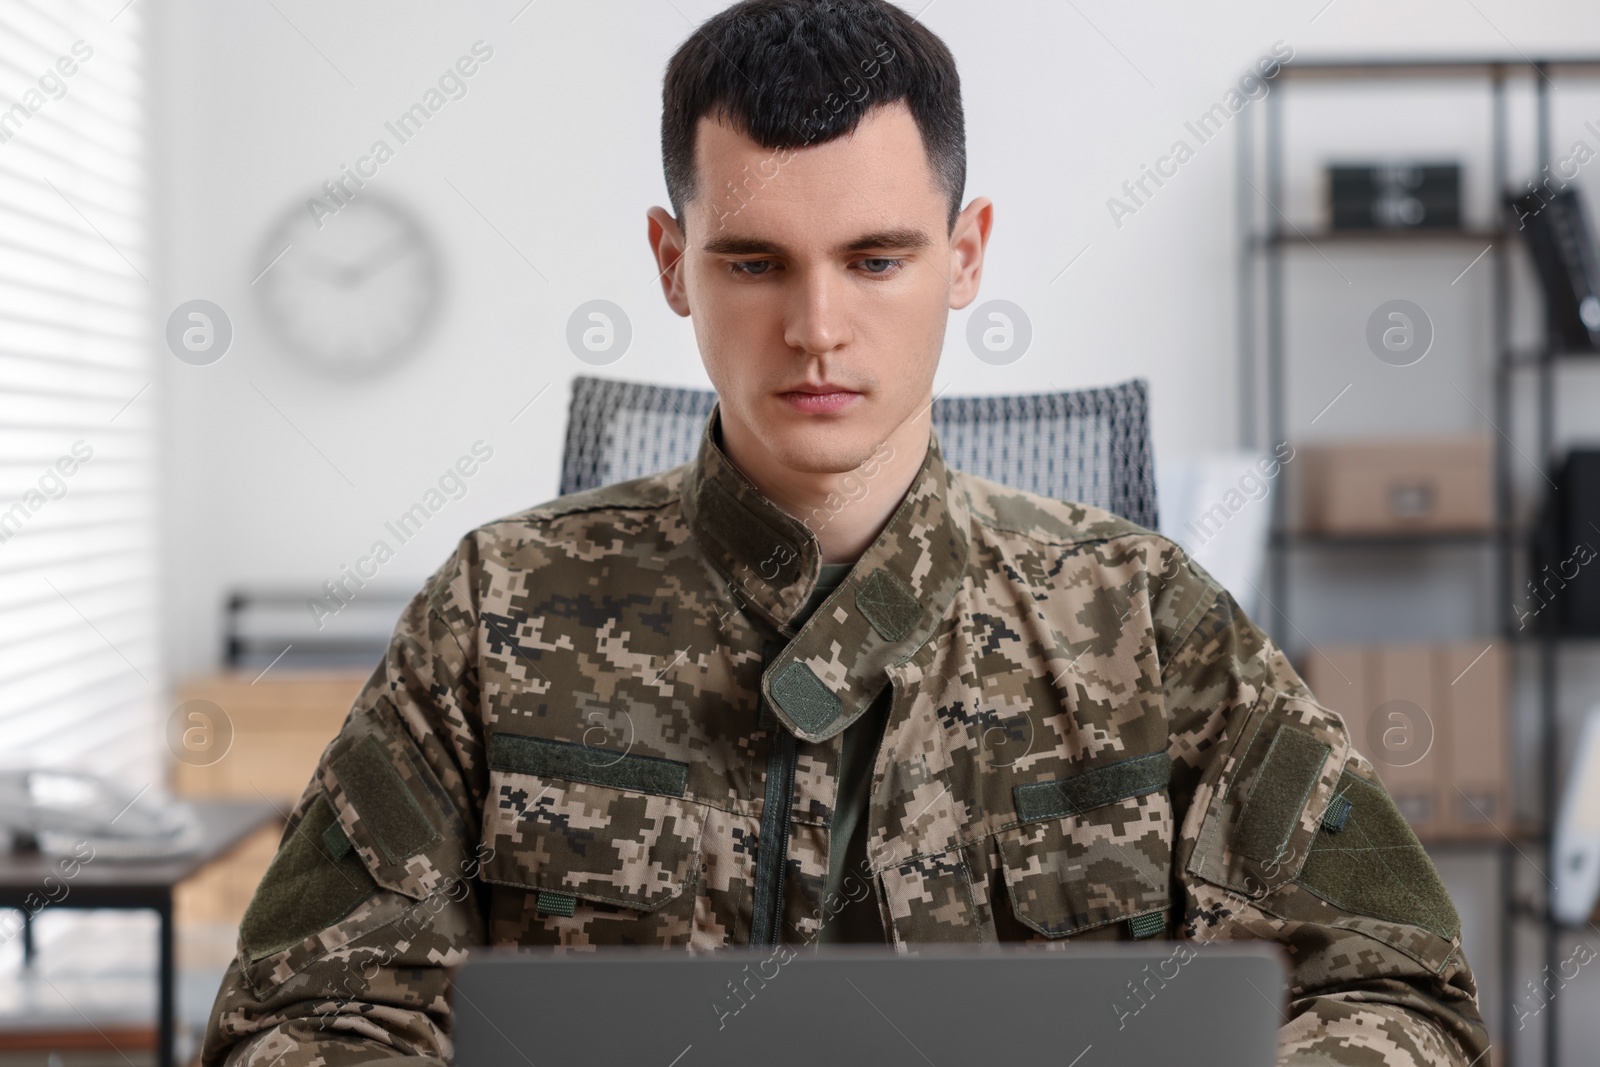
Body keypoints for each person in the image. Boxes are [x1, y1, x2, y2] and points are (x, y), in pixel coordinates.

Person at [202, 1, 1490, 1064]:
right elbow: (298, 1013)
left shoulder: (1146, 620)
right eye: (756, 263)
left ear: (966, 254)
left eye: (877, 260)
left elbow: (1405, 996)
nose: (818, 327)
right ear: (671, 262)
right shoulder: (497, 610)